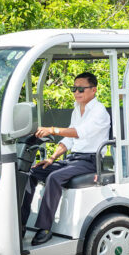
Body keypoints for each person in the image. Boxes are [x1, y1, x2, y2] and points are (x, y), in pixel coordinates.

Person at [19, 72, 110, 245]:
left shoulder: (99, 111)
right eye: (74, 88)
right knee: (33, 173)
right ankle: (22, 224)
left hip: (91, 161)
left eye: (81, 89)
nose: (77, 92)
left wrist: (52, 129)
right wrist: (52, 158)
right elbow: (69, 139)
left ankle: (45, 228)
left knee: (54, 178)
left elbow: (78, 133)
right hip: (74, 159)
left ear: (94, 90)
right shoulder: (78, 109)